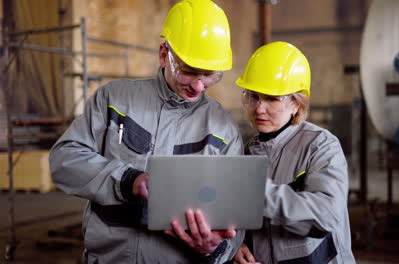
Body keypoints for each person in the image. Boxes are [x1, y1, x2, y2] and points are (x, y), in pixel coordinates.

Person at [49, 0, 244, 263]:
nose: (199, 86)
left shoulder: (224, 130)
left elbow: (235, 220)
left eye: (209, 75)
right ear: (164, 54)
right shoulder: (113, 100)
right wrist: (128, 180)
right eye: (188, 72)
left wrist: (215, 250)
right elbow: (64, 160)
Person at [233, 41, 355, 264]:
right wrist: (236, 246)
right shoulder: (248, 152)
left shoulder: (321, 146)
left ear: (297, 104)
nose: (259, 108)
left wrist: (257, 193)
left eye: (272, 98)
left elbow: (326, 216)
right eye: (254, 96)